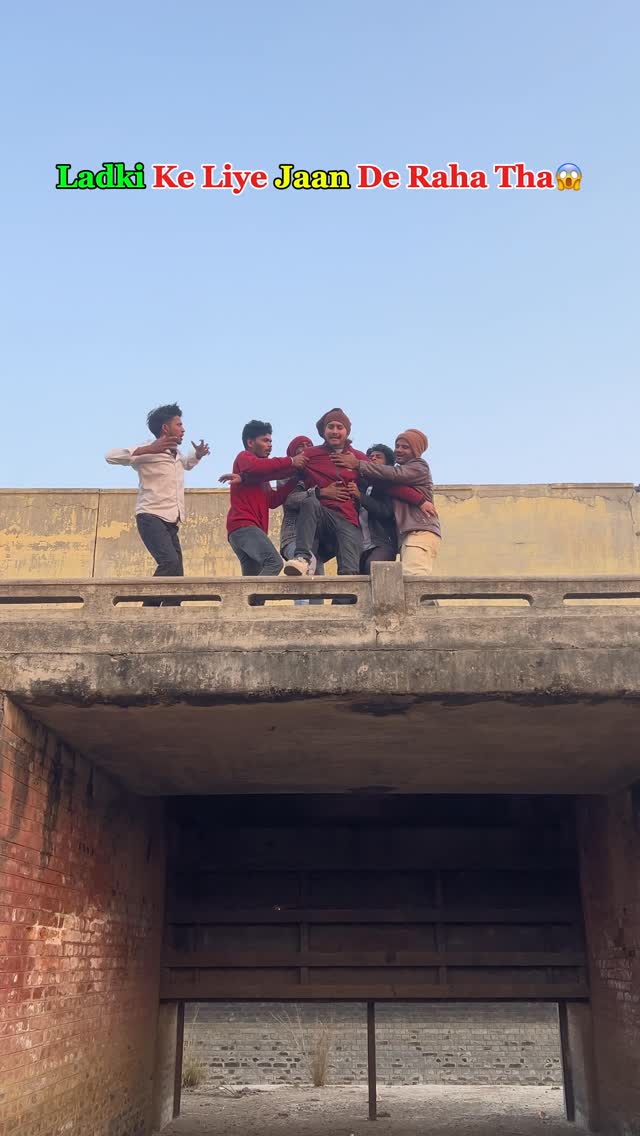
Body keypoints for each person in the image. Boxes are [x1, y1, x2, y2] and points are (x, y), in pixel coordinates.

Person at [105, 402, 210, 606]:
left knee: (177, 573)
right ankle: (148, 609)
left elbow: (186, 464)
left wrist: (197, 455)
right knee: (169, 563)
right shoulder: (147, 450)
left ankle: (171, 613)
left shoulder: (177, 454)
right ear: (165, 428)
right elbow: (110, 457)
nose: (183, 429)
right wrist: (147, 449)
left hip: (172, 519)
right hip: (150, 516)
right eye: (178, 424)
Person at [332, 428, 441, 576]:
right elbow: (393, 488)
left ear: (416, 450)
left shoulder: (419, 466)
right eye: (397, 446)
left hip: (419, 531)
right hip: (409, 534)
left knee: (414, 578)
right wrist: (419, 500)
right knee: (408, 580)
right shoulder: (385, 482)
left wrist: (358, 464)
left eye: (405, 447)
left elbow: (393, 475)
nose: (399, 450)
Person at [283, 409, 365, 582]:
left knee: (349, 577)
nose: (335, 431)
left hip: (348, 520)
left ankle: (345, 595)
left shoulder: (357, 456)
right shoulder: (311, 454)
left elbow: (382, 475)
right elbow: (282, 468)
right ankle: (302, 558)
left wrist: (357, 466)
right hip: (323, 516)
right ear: (324, 430)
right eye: (330, 427)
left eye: (339, 427)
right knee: (310, 502)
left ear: (347, 431)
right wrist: (245, 476)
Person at [225, 420, 307, 579]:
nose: (269, 445)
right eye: (265, 440)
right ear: (250, 442)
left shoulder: (261, 477)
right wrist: (291, 461)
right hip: (244, 527)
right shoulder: (244, 457)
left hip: (244, 530)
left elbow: (273, 501)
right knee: (274, 563)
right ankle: (257, 594)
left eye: (270, 441)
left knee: (252, 579)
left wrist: (295, 479)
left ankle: (251, 596)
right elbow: (258, 467)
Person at [279, 435, 325, 605]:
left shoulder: (318, 474)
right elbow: (290, 500)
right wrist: (317, 493)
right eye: (301, 445)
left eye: (309, 445)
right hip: (293, 538)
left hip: (315, 542)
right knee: (305, 563)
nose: (306, 448)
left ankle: (317, 620)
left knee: (317, 586)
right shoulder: (286, 475)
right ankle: (300, 613)